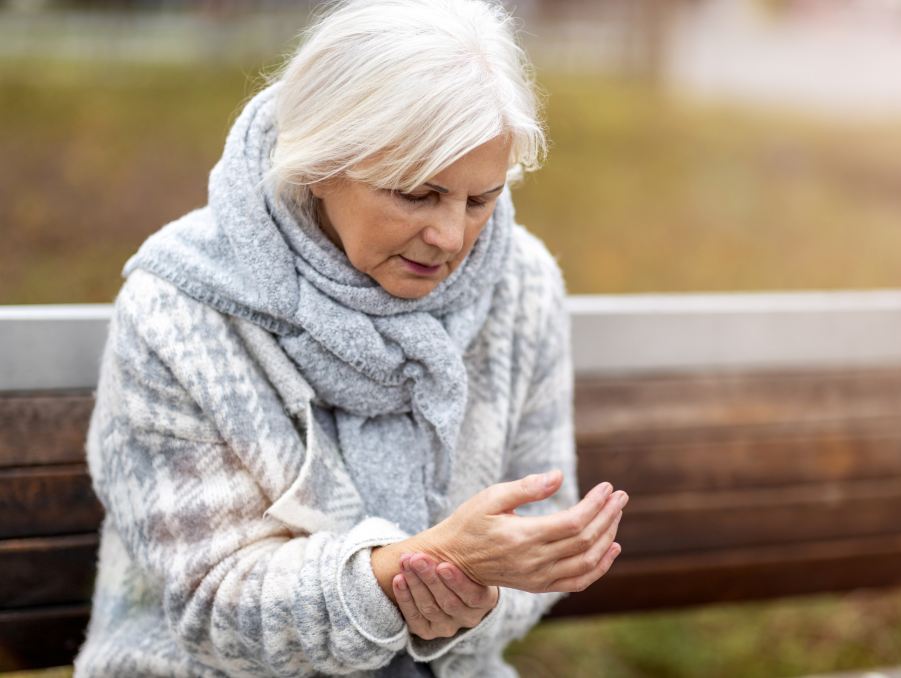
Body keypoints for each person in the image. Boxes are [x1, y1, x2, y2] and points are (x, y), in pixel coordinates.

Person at [74, 0, 627, 676]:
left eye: (479, 200)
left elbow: (539, 532)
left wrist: (468, 598)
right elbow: (212, 607)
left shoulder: (521, 284)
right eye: (416, 194)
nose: (451, 237)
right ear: (319, 162)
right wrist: (408, 572)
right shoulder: (179, 310)